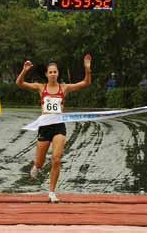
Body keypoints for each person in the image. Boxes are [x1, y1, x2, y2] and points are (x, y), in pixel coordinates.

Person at [16, 55, 92, 203]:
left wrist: (87, 69)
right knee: (40, 162)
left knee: (56, 159)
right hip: (44, 127)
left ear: (58, 74)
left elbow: (86, 83)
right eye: (50, 72)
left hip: (59, 126)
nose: (52, 74)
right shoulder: (40, 87)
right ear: (46, 74)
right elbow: (19, 83)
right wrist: (24, 71)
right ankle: (37, 166)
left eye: (55, 72)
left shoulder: (64, 88)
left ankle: (52, 192)